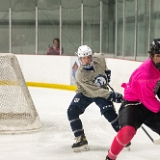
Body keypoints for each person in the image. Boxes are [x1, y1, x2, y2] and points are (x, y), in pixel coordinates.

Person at [105, 38, 160, 160]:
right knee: (127, 132)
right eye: (158, 55)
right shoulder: (146, 74)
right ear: (152, 56)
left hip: (148, 101)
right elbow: (149, 101)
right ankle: (110, 157)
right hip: (133, 104)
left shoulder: (158, 66)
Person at [67, 45, 124, 152]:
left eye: (89, 57)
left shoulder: (99, 58)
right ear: (80, 59)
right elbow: (94, 91)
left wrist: (107, 72)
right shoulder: (80, 74)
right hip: (85, 92)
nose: (87, 60)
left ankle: (123, 137)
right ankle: (80, 138)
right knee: (72, 111)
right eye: (84, 58)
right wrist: (112, 95)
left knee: (109, 112)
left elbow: (102, 58)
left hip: (100, 90)